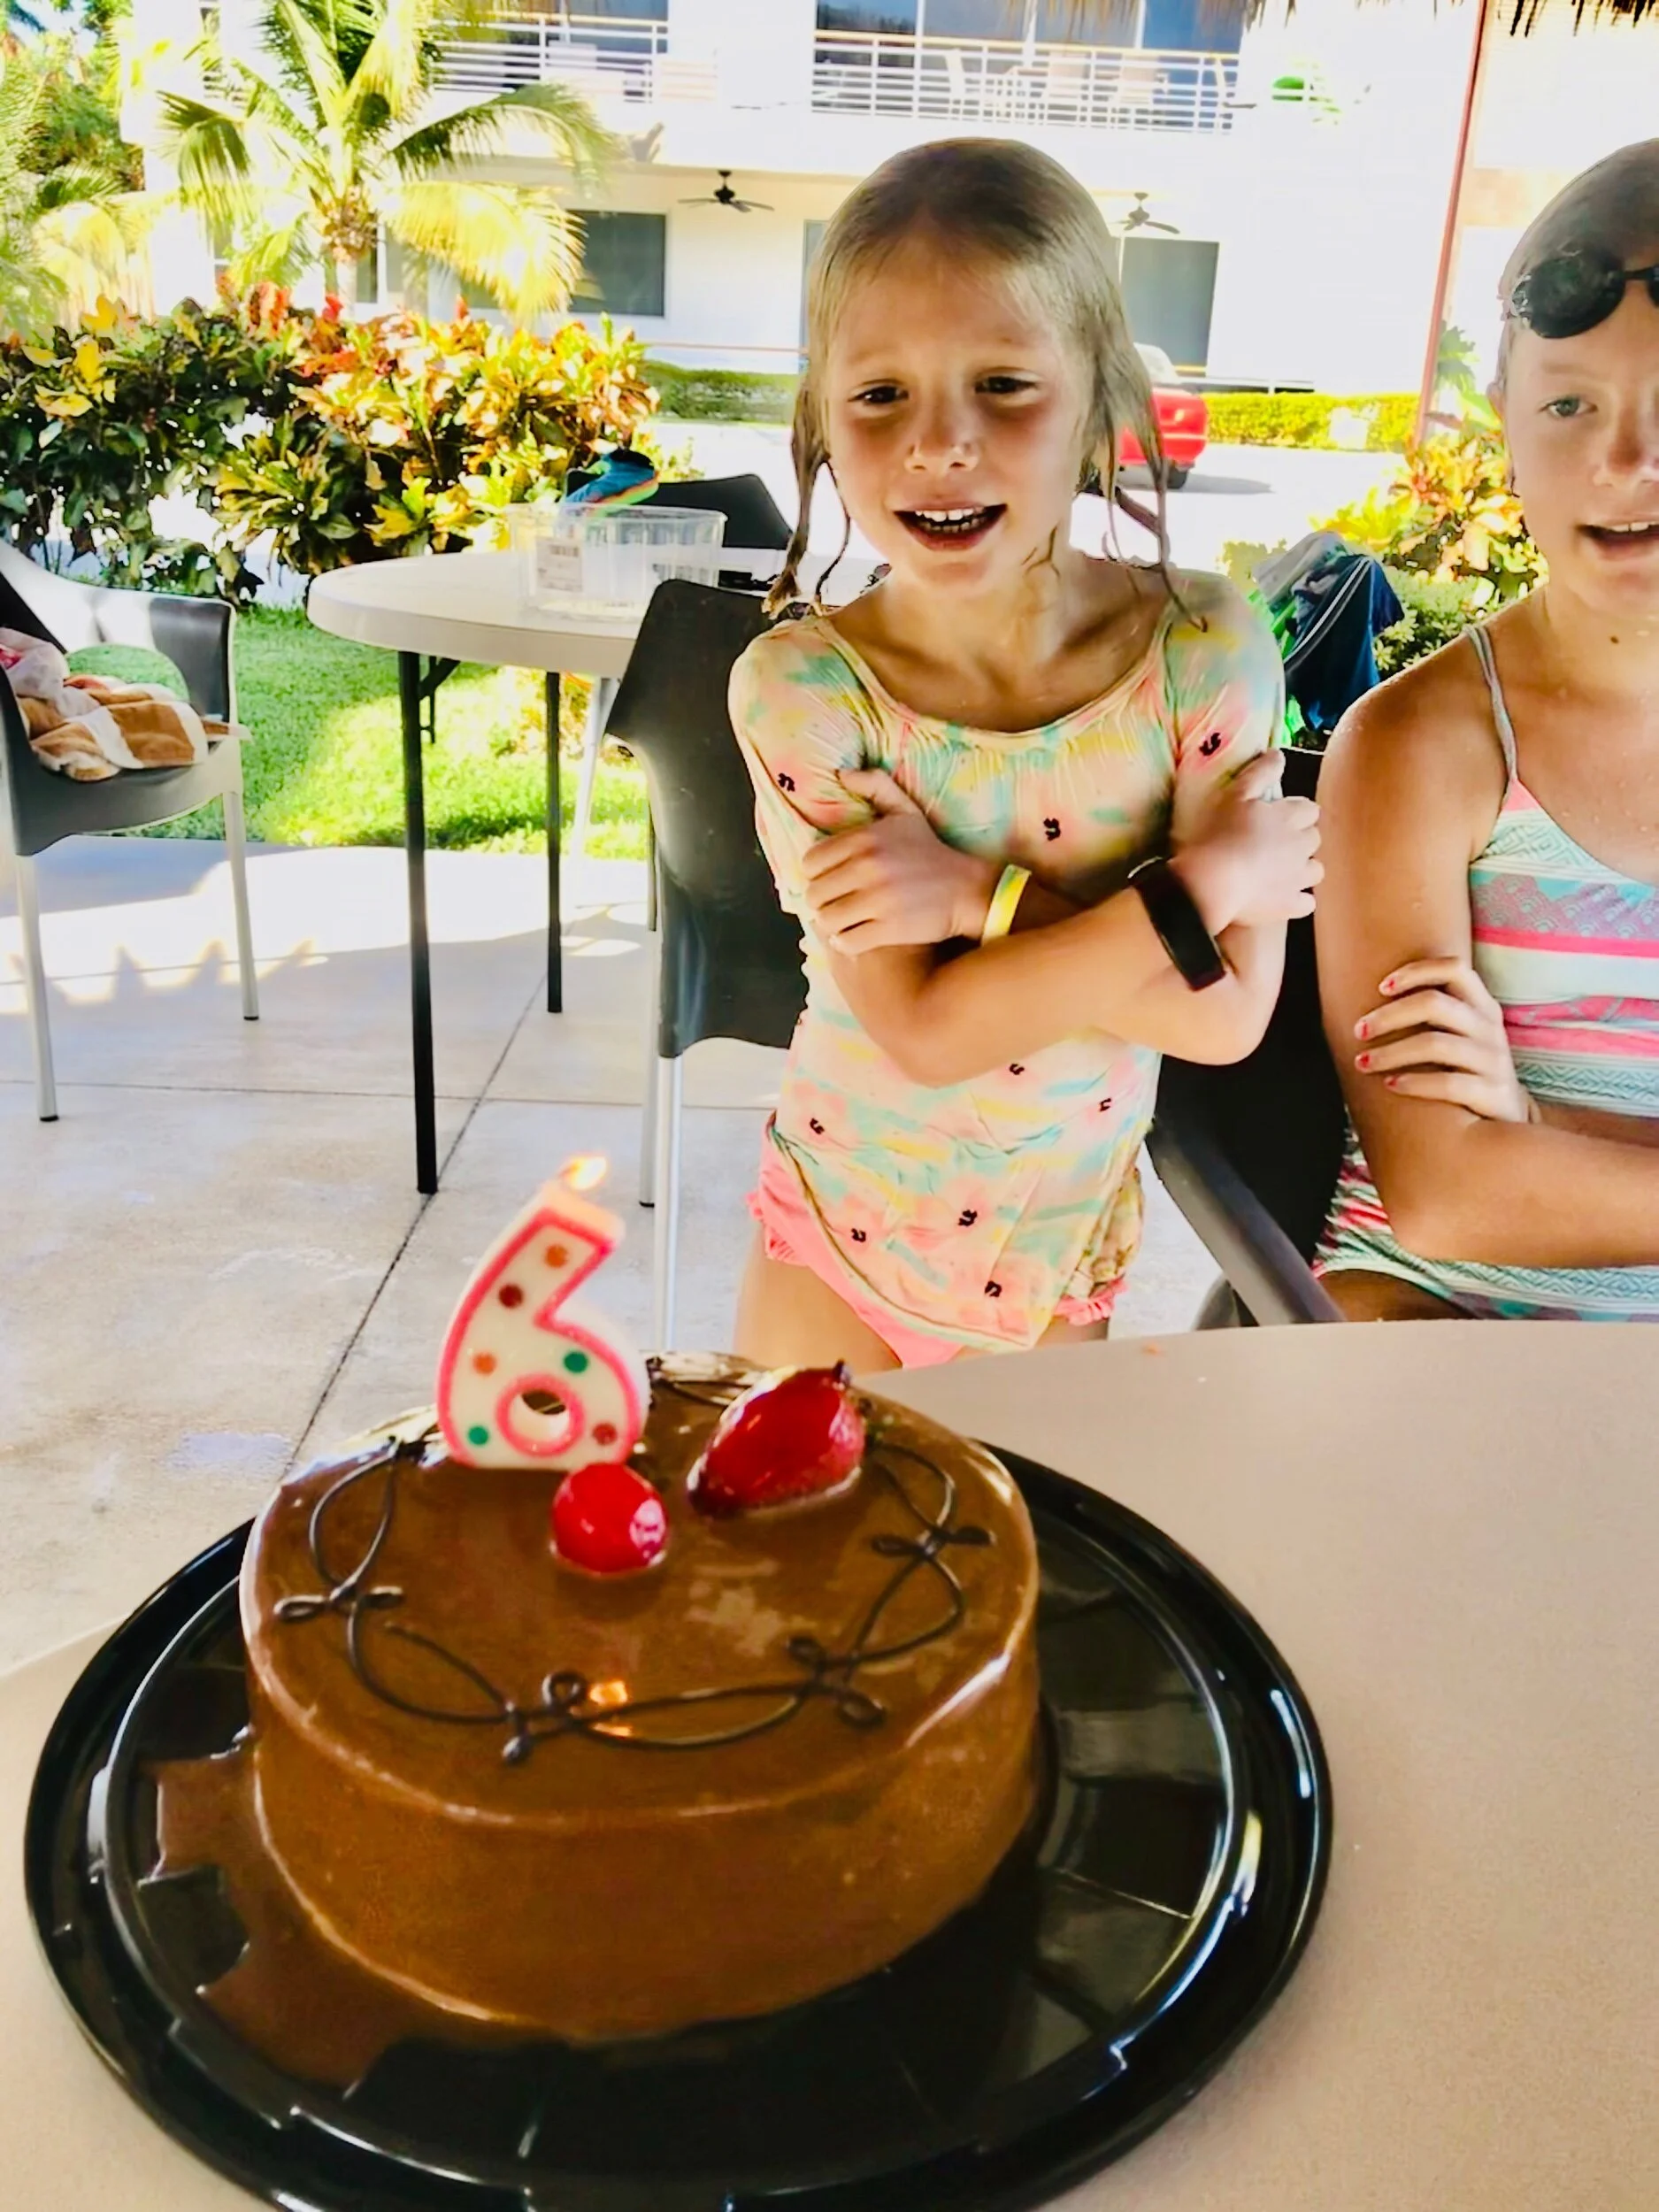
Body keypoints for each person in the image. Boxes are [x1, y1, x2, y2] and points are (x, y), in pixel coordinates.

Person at [726, 140, 1320, 1371]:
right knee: (793, 1560)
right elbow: (929, 1034)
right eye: (879, 394)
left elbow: (1223, 1021)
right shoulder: (805, 690)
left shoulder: (1204, 653)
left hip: (1057, 1269)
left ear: (1105, 407)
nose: (938, 443)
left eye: (1003, 385)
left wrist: (966, 899)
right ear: (820, 422)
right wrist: (1202, 889)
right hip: (834, 1242)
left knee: (1032, 1566)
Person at [1316, 140, 1659, 1320]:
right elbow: (1446, 1192)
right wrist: (1490, 1142)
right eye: (1569, 403)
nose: (1623, 461)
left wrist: (1539, 1120)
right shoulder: (1425, 748)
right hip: (1444, 1317)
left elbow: (1498, 1154)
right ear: (1505, 423)